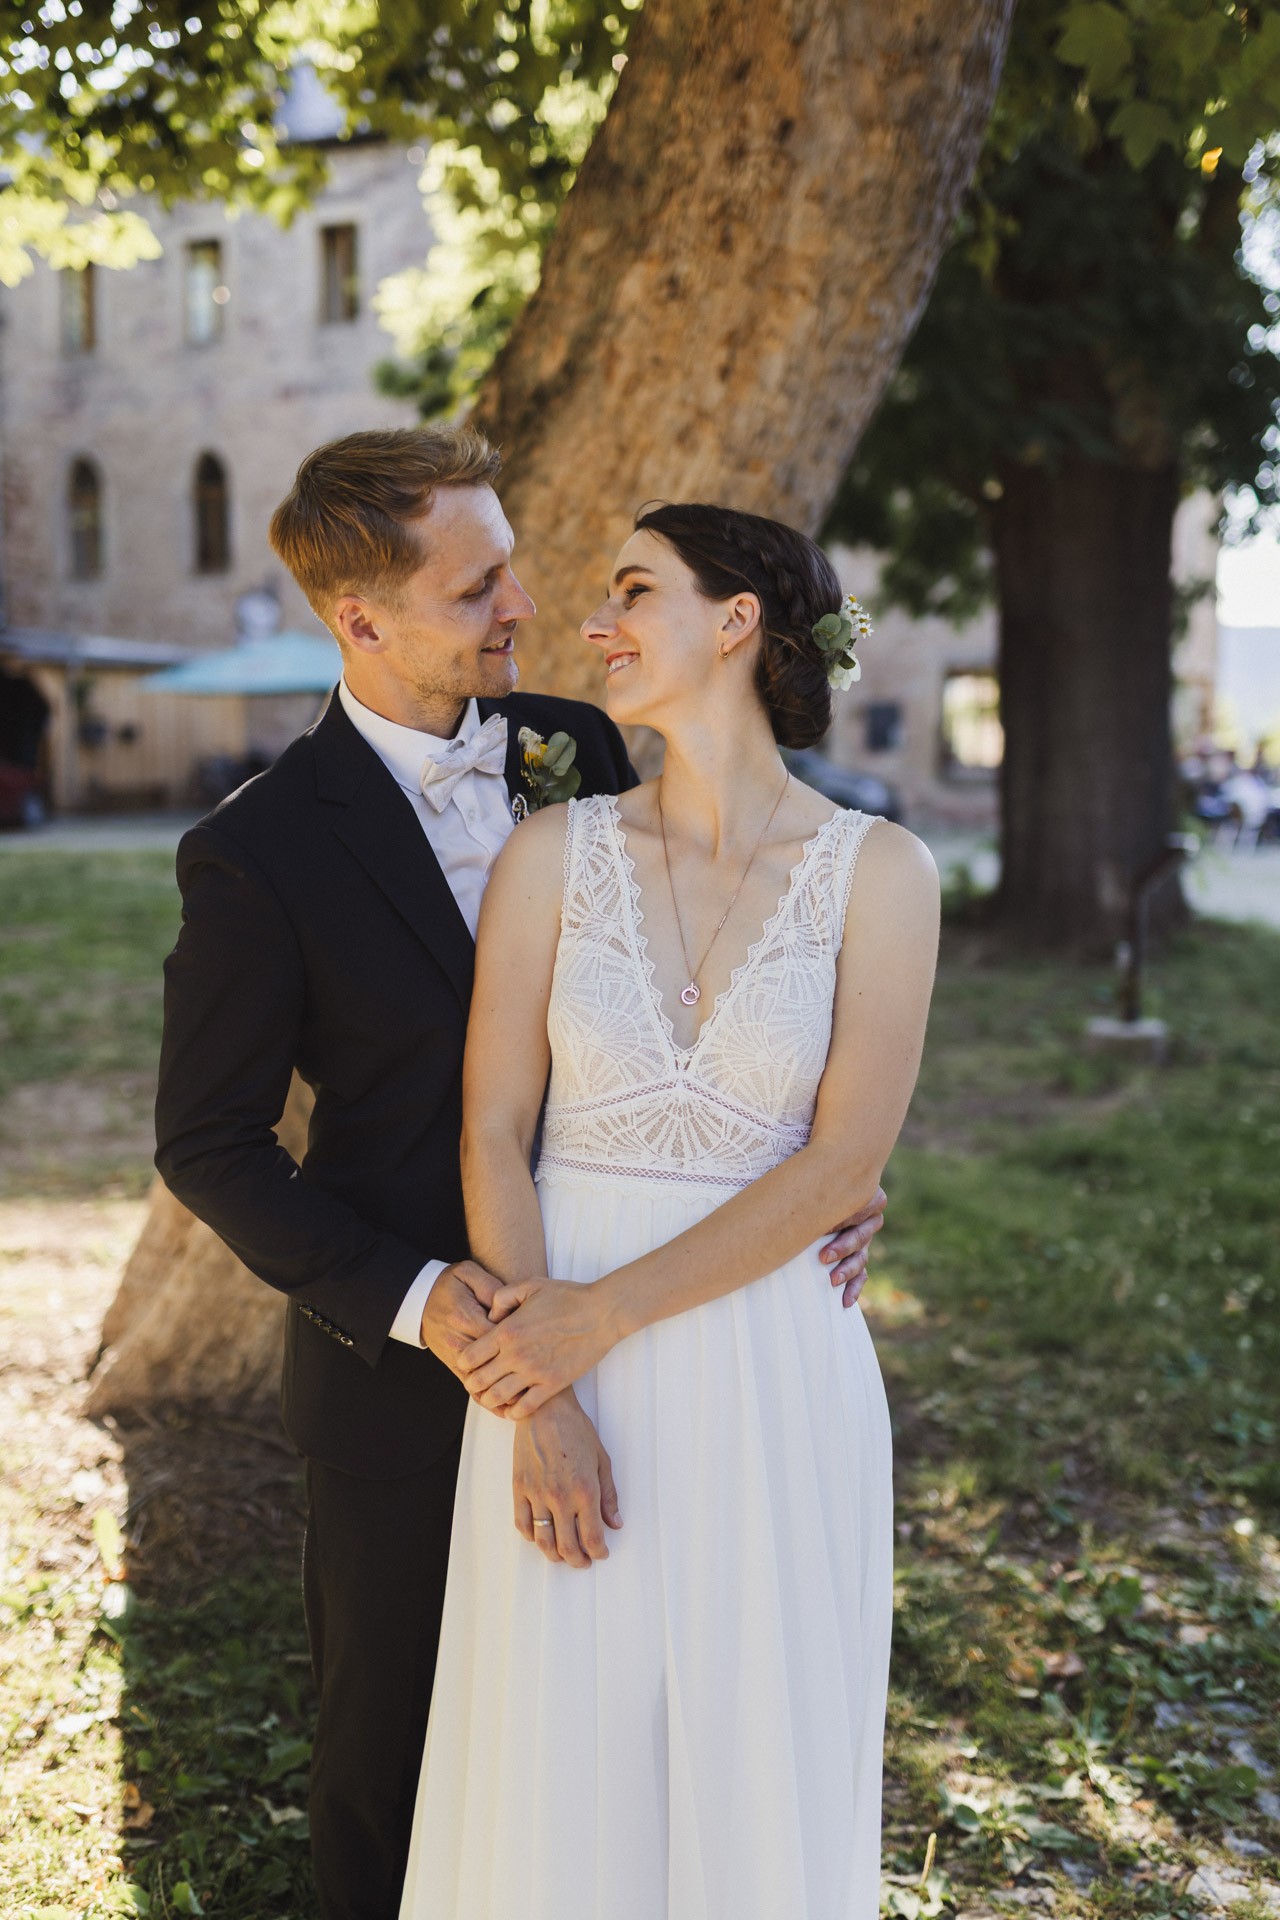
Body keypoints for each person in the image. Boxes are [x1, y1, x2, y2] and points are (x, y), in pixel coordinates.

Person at [152, 429, 885, 1920]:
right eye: (480, 583)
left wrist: (820, 1173)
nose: (525, 608)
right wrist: (442, 1313)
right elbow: (208, 1143)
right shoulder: (260, 851)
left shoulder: (586, 742)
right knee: (394, 1766)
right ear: (361, 619)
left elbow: (722, 991)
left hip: (658, 1330)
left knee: (628, 1754)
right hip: (408, 1378)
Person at [400, 503, 940, 1918]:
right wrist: (540, 1397)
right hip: (547, 1358)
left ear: (739, 623)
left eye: (636, 590)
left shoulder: (883, 876)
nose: (597, 623)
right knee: (557, 1768)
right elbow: (494, 1130)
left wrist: (597, 1321)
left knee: (755, 1762)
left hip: (772, 1373)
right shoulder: (552, 856)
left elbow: (839, 1168)